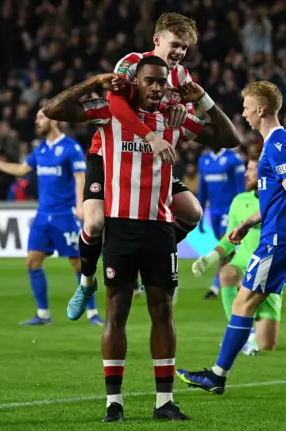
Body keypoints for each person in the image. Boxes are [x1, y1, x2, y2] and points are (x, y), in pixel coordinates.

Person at [42, 56, 241, 421]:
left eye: (162, 82)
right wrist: (93, 82)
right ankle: (113, 403)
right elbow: (54, 109)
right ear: (134, 82)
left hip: (160, 227)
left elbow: (231, 139)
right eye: (150, 81)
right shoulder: (108, 113)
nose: (157, 88)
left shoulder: (174, 119)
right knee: (116, 312)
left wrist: (203, 99)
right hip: (121, 227)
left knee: (162, 312)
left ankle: (164, 402)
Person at [177, 81, 286, 398]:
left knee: (243, 302)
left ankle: (216, 376)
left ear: (260, 109)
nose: (243, 113)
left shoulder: (277, 144)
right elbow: (277, 197)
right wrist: (249, 221)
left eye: (246, 107)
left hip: (281, 240)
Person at [76, 13, 202, 305]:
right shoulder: (131, 64)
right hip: (110, 153)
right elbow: (116, 107)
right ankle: (86, 282)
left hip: (149, 161)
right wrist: (150, 137)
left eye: (185, 47)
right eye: (175, 44)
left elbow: (177, 116)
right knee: (94, 223)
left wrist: (183, 112)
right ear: (157, 39)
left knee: (192, 213)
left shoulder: (182, 77)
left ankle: (157, 262)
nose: (180, 52)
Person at [0, 110, 103, 326]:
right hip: (43, 216)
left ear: (54, 120)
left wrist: (81, 207)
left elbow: (81, 178)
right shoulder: (40, 150)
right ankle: (43, 314)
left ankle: (92, 313)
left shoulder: (71, 148)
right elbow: (21, 170)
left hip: (65, 215)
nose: (37, 121)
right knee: (32, 262)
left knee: (78, 263)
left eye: (41, 117)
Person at [192, 150, 281, 355]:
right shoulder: (240, 200)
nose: (246, 174)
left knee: (268, 345)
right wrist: (209, 258)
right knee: (227, 273)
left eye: (251, 169)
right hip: (243, 264)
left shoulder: (280, 199)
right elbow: (229, 239)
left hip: (270, 269)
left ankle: (245, 331)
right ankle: (240, 333)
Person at [197, 144, 246, 300]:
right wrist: (200, 216)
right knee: (227, 248)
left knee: (225, 244)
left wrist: (242, 211)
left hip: (229, 210)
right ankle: (238, 281)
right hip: (215, 212)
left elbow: (241, 189)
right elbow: (202, 189)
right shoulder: (203, 161)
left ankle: (216, 285)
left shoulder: (234, 159)